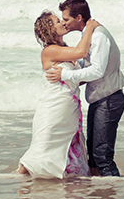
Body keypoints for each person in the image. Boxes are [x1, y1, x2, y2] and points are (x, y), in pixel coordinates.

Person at [45, 0, 124, 177]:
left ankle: (110, 197)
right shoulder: (88, 34)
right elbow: (87, 68)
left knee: (102, 156)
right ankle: (98, 197)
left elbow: (97, 71)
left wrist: (65, 75)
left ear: (79, 18)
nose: (64, 23)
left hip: (109, 100)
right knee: (93, 157)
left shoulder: (98, 36)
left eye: (66, 19)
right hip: (99, 99)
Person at [17, 11, 101, 179]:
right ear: (50, 29)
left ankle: (62, 178)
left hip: (68, 107)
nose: (63, 22)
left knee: (66, 144)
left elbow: (76, 78)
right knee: (45, 142)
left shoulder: (63, 49)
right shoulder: (49, 51)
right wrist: (90, 27)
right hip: (54, 106)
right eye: (58, 21)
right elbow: (81, 52)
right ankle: (18, 179)